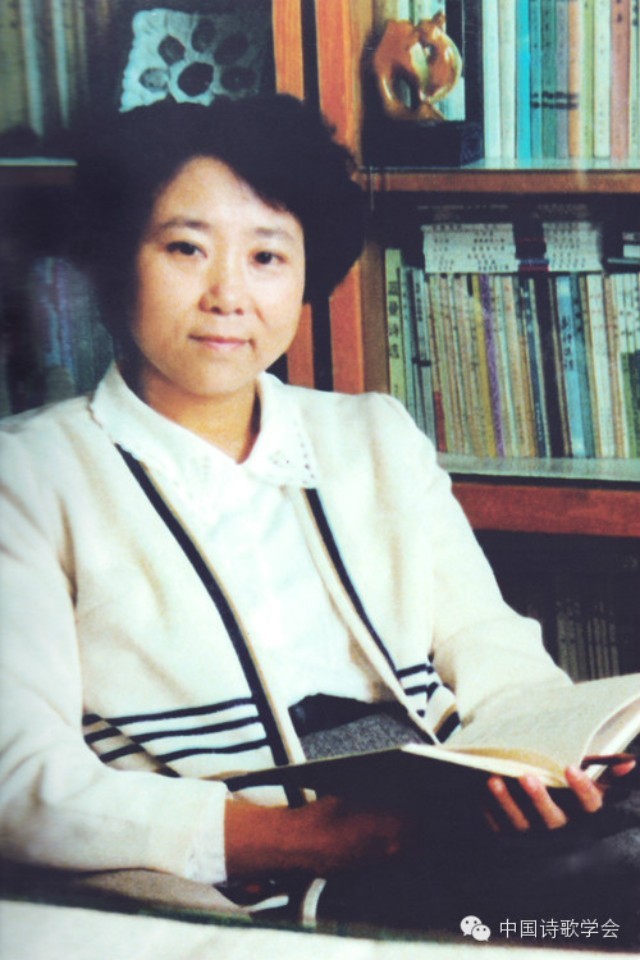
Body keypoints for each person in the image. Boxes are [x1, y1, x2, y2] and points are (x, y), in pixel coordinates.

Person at [0, 94, 638, 942]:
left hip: (457, 834)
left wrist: (548, 759)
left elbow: (487, 644)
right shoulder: (31, 475)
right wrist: (312, 839)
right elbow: (20, 784)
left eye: (267, 255)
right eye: (186, 248)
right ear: (117, 257)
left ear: (308, 273)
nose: (229, 294)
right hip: (238, 884)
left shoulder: (374, 436)